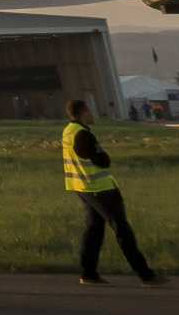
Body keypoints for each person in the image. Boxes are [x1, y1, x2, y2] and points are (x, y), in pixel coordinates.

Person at [62, 96, 165, 286]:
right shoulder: (83, 134)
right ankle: (146, 275)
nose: (92, 115)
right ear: (83, 112)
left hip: (82, 187)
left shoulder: (69, 130)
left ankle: (89, 273)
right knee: (122, 229)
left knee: (94, 230)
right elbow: (102, 160)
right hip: (100, 189)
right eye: (89, 111)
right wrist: (102, 154)